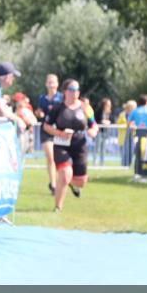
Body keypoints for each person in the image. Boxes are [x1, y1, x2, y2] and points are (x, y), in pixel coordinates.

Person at [42, 79, 98, 211]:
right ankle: (58, 207)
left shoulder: (85, 107)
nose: (75, 93)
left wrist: (93, 131)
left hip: (80, 144)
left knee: (81, 182)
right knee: (66, 173)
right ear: (65, 92)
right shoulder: (57, 107)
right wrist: (60, 133)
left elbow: (93, 124)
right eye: (72, 90)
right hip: (62, 144)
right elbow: (46, 126)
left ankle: (72, 183)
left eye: (77, 90)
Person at [37, 74, 63, 193]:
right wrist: (39, 114)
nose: (51, 84)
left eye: (53, 82)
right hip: (46, 130)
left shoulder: (62, 97)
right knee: (51, 157)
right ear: (46, 84)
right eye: (49, 82)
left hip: (60, 131)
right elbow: (39, 111)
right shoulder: (42, 98)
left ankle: (64, 180)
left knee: (61, 158)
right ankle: (53, 184)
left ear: (57, 84)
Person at [116, 99, 136, 166]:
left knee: (131, 151)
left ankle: (129, 164)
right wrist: (126, 124)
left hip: (132, 135)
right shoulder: (122, 114)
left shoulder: (135, 115)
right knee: (124, 151)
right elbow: (118, 123)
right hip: (124, 135)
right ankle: (124, 164)